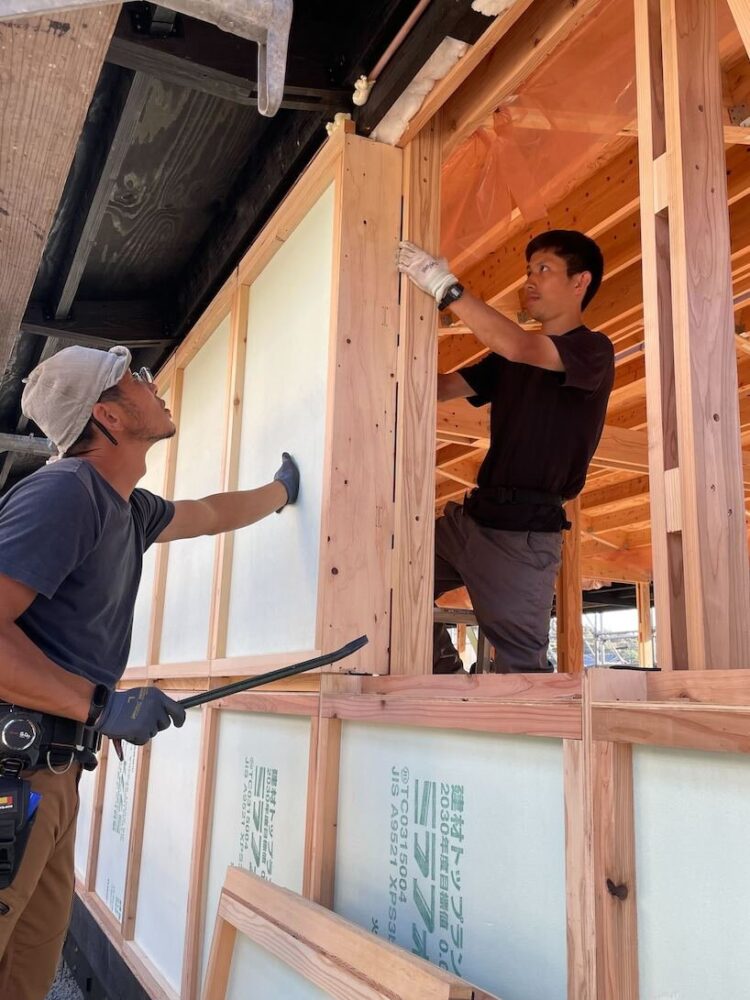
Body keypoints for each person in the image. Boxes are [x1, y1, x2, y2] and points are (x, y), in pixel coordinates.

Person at [0, 345, 300, 999]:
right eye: (133, 378)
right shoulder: (65, 493)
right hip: (13, 776)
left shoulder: (126, 509)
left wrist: (283, 491)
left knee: (25, 970)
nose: (150, 381)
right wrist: (100, 705)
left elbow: (211, 513)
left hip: (52, 774)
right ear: (107, 416)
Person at [398, 229, 614, 673]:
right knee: (390, 578)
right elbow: (438, 388)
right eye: (528, 270)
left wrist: (444, 286)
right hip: (472, 520)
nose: (529, 279)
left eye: (544, 269)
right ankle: (445, 678)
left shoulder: (592, 350)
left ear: (580, 282)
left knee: (522, 672)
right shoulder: (509, 361)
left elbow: (519, 344)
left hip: (523, 536)